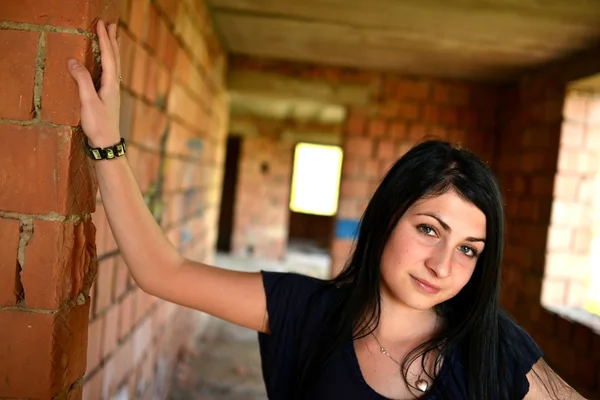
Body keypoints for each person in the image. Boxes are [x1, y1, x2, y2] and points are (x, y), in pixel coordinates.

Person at [67, 20, 588, 400]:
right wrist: (107, 143)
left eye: (469, 250)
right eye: (430, 229)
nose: (443, 265)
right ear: (387, 217)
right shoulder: (306, 311)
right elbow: (164, 272)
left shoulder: (494, 349)